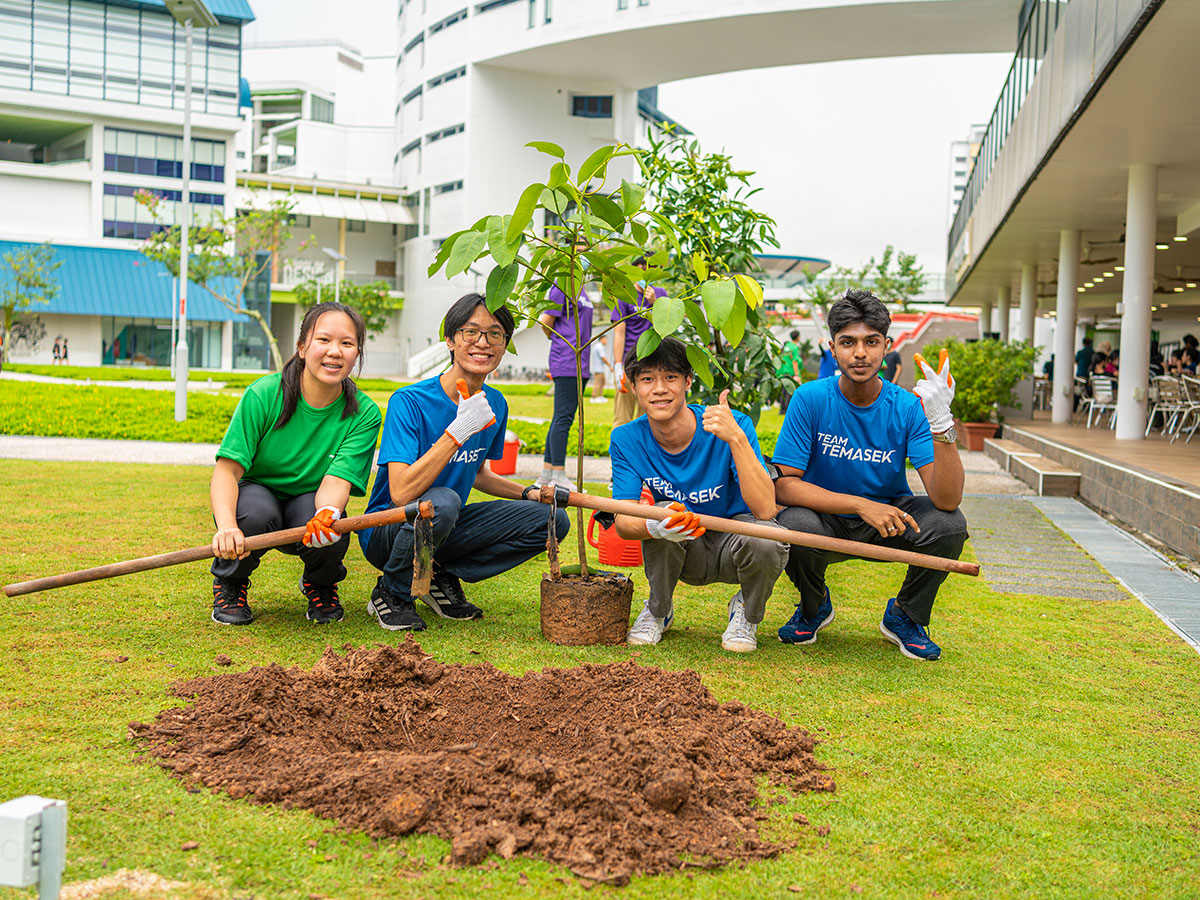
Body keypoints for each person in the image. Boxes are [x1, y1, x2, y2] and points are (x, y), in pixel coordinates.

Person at [771, 290, 968, 661]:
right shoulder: (809, 398)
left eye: (870, 342)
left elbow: (947, 499)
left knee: (949, 524)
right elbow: (783, 485)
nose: (860, 353)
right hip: (825, 520)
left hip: (888, 521)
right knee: (791, 522)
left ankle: (905, 615)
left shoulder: (908, 406)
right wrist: (861, 505)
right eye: (848, 342)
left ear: (886, 346)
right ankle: (814, 607)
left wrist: (942, 424)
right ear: (832, 348)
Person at [360, 292, 569, 631]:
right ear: (450, 340)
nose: (482, 342)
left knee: (553, 520)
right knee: (442, 501)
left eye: (495, 333)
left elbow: (479, 473)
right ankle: (392, 591)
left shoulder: (494, 404)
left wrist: (528, 492)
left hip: (445, 522)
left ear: (504, 345)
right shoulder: (410, 401)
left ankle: (439, 574)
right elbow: (401, 492)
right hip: (388, 529)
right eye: (470, 332)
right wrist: (458, 429)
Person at [209, 302, 382, 626]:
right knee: (255, 513)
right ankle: (230, 581)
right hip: (258, 493)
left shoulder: (365, 413)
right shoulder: (263, 395)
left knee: (335, 523)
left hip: (311, 498)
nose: (335, 352)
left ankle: (321, 584)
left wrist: (327, 513)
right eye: (324, 340)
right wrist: (227, 527)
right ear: (302, 347)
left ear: (357, 353)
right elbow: (226, 472)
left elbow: (336, 480)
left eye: (347, 343)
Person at [611, 337, 786, 653]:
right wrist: (656, 526)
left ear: (688, 381)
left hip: (736, 541)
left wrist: (736, 439)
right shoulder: (625, 438)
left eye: (671, 377)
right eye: (647, 379)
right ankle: (658, 609)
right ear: (633, 387)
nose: (660, 388)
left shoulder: (732, 425)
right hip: (685, 548)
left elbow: (765, 510)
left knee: (769, 539)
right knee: (660, 512)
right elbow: (623, 521)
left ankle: (746, 611)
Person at [538, 281, 593, 489]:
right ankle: (558, 475)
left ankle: (547, 472)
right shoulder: (563, 284)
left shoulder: (582, 287)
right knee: (564, 417)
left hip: (581, 361)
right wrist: (564, 344)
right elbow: (545, 322)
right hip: (567, 360)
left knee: (560, 417)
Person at [612, 256, 665, 427]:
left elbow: (665, 327)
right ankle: (619, 452)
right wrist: (618, 365)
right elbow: (619, 333)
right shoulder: (624, 295)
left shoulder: (661, 294)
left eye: (649, 267)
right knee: (622, 415)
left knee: (648, 416)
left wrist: (654, 302)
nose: (644, 270)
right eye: (640, 266)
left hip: (652, 362)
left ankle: (642, 453)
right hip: (629, 361)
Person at [776, 330, 805, 413]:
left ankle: (782, 409)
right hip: (791, 372)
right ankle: (788, 409)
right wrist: (796, 374)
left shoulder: (786, 346)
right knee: (790, 391)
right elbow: (794, 361)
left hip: (783, 372)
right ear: (798, 337)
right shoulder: (794, 347)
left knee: (783, 391)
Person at [590, 334, 612, 403]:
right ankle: (593, 397)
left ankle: (600, 396)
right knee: (598, 383)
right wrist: (610, 366)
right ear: (601, 339)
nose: (606, 341)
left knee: (602, 383)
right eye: (605, 339)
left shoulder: (597, 346)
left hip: (600, 369)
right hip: (598, 369)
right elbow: (603, 358)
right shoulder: (599, 347)